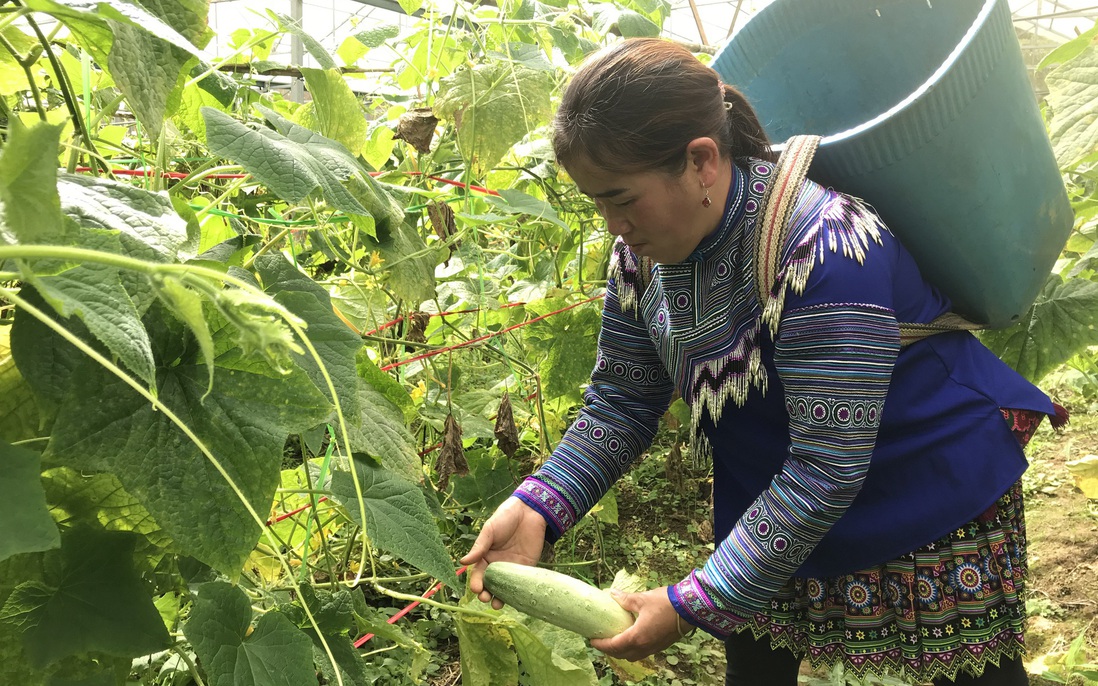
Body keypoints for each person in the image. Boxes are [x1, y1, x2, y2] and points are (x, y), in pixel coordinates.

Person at [461, 37, 1065, 685]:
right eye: (598, 203)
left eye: (621, 198)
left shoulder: (824, 248)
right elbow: (624, 399)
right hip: (775, 507)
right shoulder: (640, 257)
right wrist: (539, 505)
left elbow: (828, 466)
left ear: (701, 162)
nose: (613, 225)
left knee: (975, 678)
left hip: (927, 490)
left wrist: (691, 600)